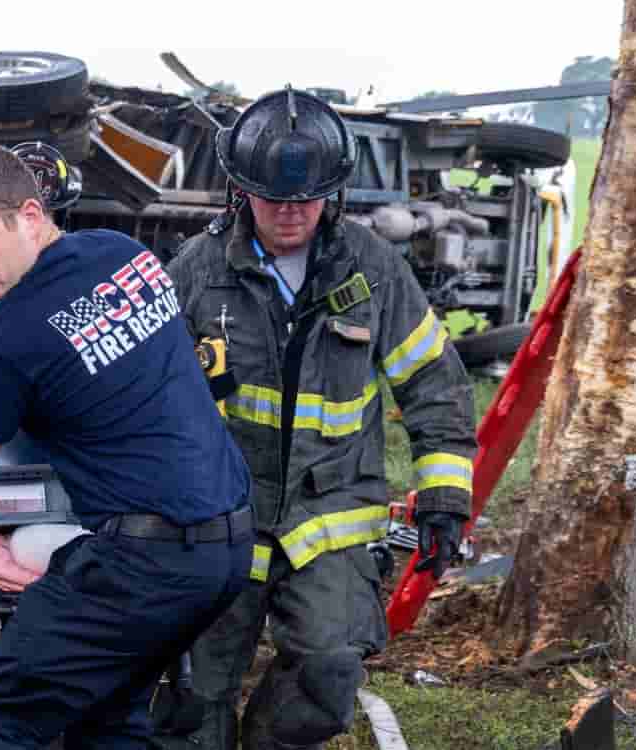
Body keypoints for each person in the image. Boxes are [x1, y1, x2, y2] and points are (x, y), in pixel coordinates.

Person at [0, 141, 253, 749]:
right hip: (228, 544)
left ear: (31, 216)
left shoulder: (4, 347)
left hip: (144, 564)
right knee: (108, 711)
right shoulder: (127, 256)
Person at [156, 87, 479, 750]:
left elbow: (434, 385)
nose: (289, 212)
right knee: (192, 688)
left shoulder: (375, 270)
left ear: (332, 193)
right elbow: (148, 395)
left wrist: (445, 498)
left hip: (329, 518)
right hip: (220, 518)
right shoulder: (197, 270)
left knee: (329, 669)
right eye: (272, 197)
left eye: (305, 199)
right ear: (242, 190)